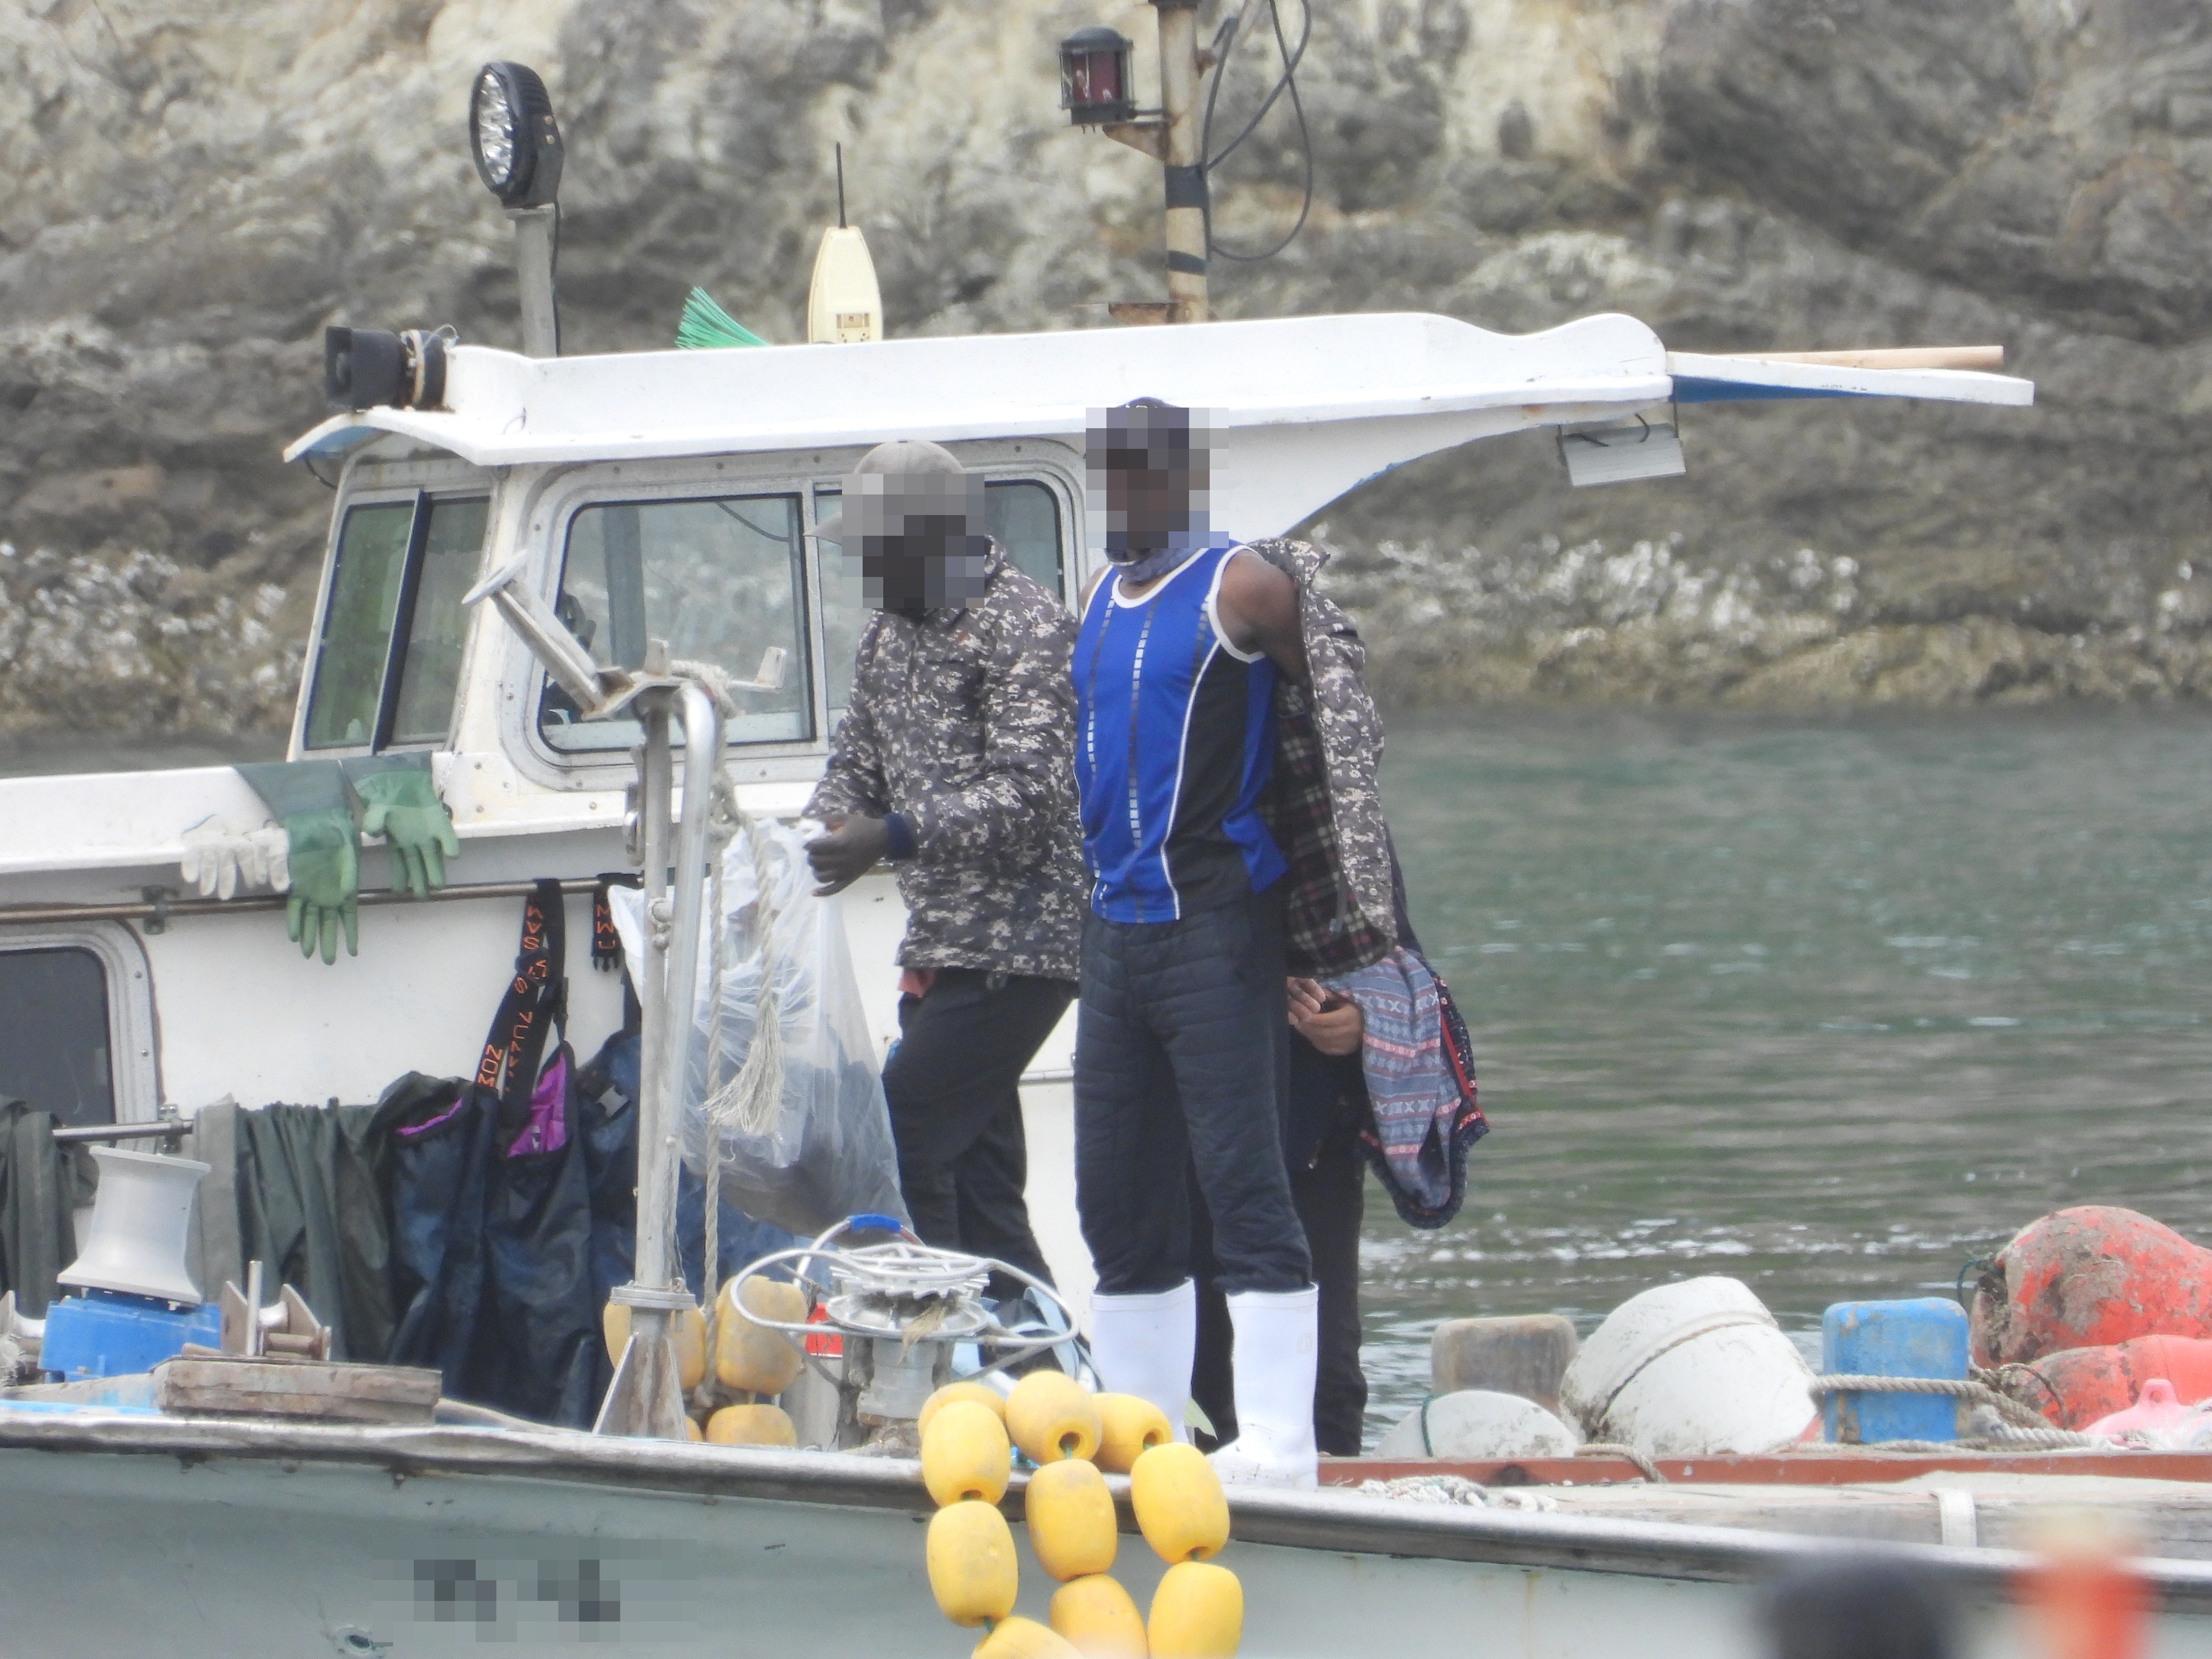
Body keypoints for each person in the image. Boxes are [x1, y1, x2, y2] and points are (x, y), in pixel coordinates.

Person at [1071, 399, 1406, 1488]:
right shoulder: (1095, 600)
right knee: (1115, 1199)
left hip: (1216, 922)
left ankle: (1278, 1442)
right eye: (1104, 475)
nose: (1115, 499)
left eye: (1134, 478)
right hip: (1115, 937)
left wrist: (1351, 910)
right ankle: (1141, 1433)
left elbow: (1339, 723)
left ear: (1180, 483)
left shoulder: (1239, 588)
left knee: (1242, 1184)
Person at [804, 440, 1085, 1305]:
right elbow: (856, 760)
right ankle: (1039, 1381)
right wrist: (821, 830)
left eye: (873, 549)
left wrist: (889, 836)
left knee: (904, 1133)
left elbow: (1033, 790)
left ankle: (938, 1344)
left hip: (1027, 943)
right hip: (942, 942)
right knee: (981, 1191)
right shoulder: (889, 634)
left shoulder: (1026, 625)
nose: (863, 568)